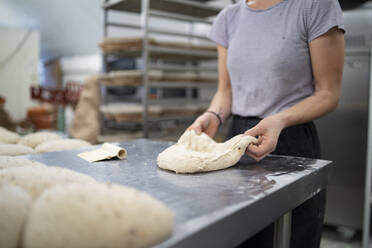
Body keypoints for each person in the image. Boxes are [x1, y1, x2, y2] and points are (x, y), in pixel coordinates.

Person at [188, 0, 345, 247]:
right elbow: (226, 91)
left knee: (289, 237)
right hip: (237, 143)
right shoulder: (229, 18)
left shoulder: (315, 6)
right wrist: (214, 115)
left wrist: (279, 119)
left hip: (291, 140)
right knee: (241, 237)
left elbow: (328, 94)